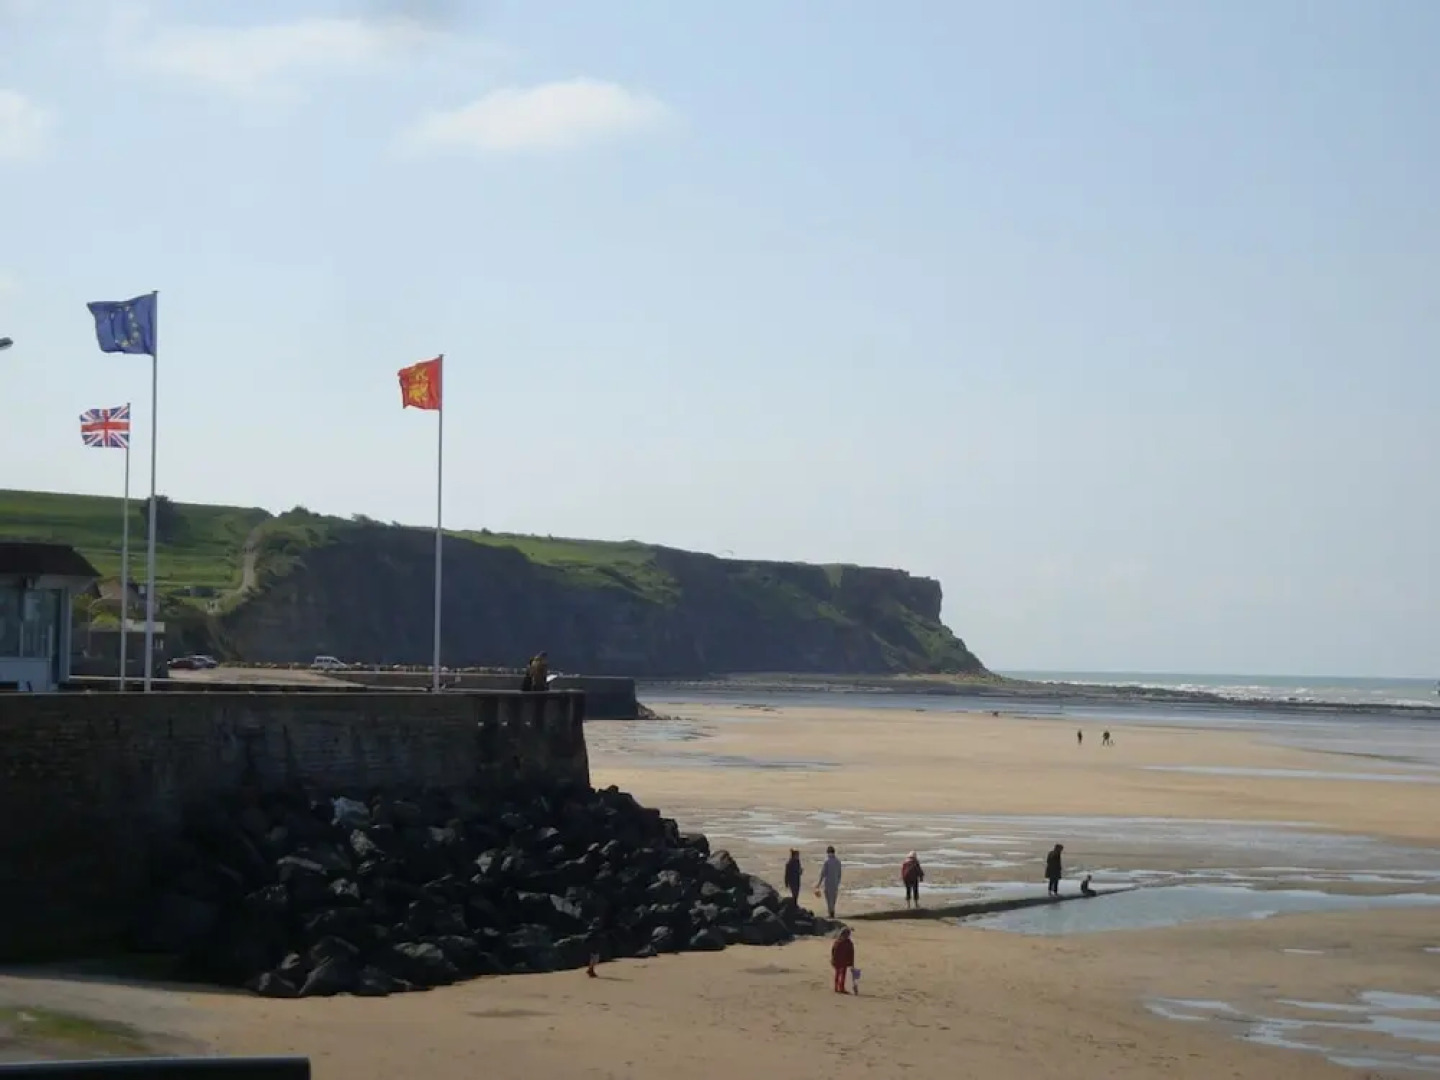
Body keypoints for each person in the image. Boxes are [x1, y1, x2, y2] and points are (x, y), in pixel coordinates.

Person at [815, 845, 843, 918]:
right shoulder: (838, 861)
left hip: (828, 883)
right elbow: (839, 874)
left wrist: (818, 884)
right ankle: (832, 911)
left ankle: (831, 913)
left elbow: (823, 873)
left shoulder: (827, 861)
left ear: (828, 852)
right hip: (835, 883)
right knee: (833, 899)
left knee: (829, 899)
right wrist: (838, 883)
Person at [830, 927, 855, 994]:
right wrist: (833, 959)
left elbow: (851, 953)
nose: (847, 936)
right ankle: (837, 987)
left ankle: (841, 987)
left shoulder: (848, 943)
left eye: (848, 934)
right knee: (838, 974)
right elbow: (834, 952)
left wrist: (851, 963)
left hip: (844, 961)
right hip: (838, 960)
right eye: (846, 934)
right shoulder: (839, 942)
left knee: (842, 974)